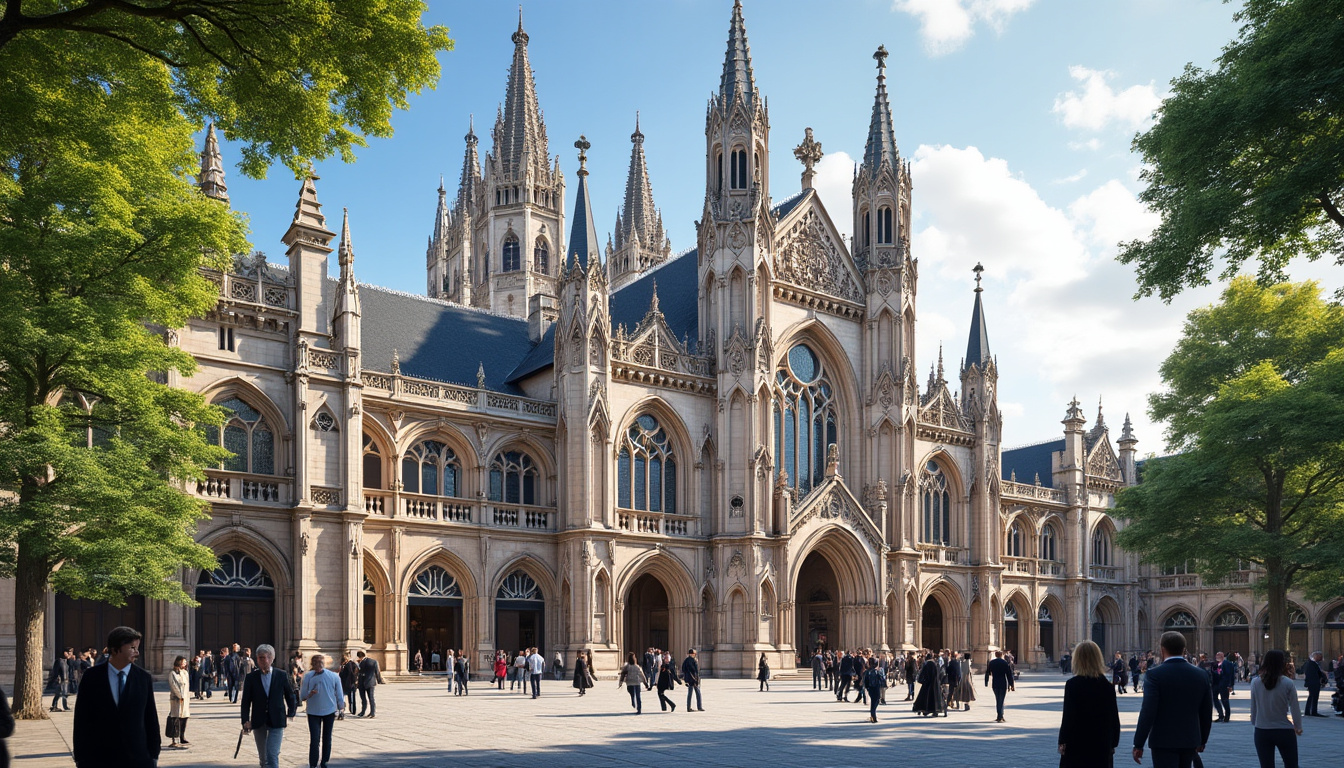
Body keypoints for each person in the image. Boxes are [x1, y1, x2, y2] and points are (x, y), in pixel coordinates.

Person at [72, 626, 160, 768]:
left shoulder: (143, 678)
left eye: (137, 648)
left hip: (137, 758)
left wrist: (154, 755)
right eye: (132, 648)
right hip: (99, 758)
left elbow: (150, 719)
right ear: (114, 649)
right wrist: (81, 758)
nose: (137, 653)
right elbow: (81, 719)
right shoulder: (91, 677)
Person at [1133, 631, 1213, 768]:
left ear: (1162, 649)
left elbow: (1148, 711)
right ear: (1184, 650)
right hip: (1190, 738)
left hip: (1163, 740)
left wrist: (1138, 743)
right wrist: (1202, 739)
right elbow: (1206, 711)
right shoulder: (1201, 675)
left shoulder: (1154, 675)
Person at [1057, 640, 1120, 768]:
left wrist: (1063, 740)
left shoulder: (1073, 685)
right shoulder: (1107, 686)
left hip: (1077, 741)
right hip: (1101, 741)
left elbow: (1068, 716)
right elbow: (1113, 717)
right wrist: (1113, 742)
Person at [240, 644, 297, 768]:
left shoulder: (281, 675)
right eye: (258, 658)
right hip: (258, 720)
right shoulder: (251, 678)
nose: (260, 660)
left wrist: (291, 712)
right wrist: (245, 720)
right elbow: (245, 701)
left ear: (271, 658)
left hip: (277, 720)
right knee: (263, 757)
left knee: (272, 754)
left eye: (263, 658)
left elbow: (290, 695)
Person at [1249, 649, 1302, 768]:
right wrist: (1297, 726)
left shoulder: (1255, 682)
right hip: (1284, 730)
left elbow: (1254, 707)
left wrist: (1255, 722)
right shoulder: (1288, 683)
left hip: (1262, 730)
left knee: (1266, 765)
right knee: (1291, 764)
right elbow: (1295, 707)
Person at [299, 653, 344, 768]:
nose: (318, 665)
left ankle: (324, 761)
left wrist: (341, 708)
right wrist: (310, 694)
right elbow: (302, 695)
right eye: (316, 663)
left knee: (327, 737)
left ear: (324, 664)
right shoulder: (308, 676)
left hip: (329, 710)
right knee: (314, 739)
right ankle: (313, 763)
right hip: (313, 711)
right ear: (312, 664)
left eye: (320, 662)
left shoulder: (334, 676)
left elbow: (339, 694)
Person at [166, 656, 191, 748]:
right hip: (177, 700)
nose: (185, 663)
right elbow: (173, 686)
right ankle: (174, 739)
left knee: (184, 718)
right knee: (175, 719)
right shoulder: (172, 673)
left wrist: (187, 696)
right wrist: (180, 696)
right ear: (179, 662)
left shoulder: (185, 673)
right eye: (183, 662)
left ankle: (182, 737)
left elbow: (187, 686)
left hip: (185, 700)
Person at [985, 649, 1015, 723]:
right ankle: (1000, 716)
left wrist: (986, 682)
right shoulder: (1005, 663)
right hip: (1003, 683)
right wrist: (1011, 685)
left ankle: (1000, 715)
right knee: (1001, 700)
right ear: (1001, 655)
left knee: (998, 699)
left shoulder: (992, 663)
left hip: (995, 683)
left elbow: (987, 673)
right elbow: (1009, 675)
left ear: (995, 655)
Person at [1210, 651, 1236, 722]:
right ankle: (1220, 715)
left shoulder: (1228, 664)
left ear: (1222, 656)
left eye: (1219, 655)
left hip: (1224, 685)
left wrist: (1230, 685)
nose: (1217, 656)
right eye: (1216, 655)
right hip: (1215, 684)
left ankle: (1227, 716)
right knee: (1214, 698)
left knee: (1224, 700)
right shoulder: (1214, 664)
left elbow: (1231, 675)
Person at [355, 650, 382, 717]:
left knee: (363, 698)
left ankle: (363, 711)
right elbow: (377, 672)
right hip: (371, 682)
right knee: (371, 698)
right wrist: (379, 680)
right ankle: (372, 712)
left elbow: (358, 672)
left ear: (359, 657)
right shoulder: (374, 661)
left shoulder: (360, 663)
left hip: (362, 682)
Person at [1301, 651, 1327, 717]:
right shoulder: (1311, 664)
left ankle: (1309, 711)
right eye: (1320, 656)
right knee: (1313, 697)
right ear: (1316, 656)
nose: (1321, 658)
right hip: (1313, 683)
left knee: (1312, 696)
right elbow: (1314, 674)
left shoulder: (1312, 663)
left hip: (1313, 682)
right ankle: (1313, 711)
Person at [48, 648, 72, 712]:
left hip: (65, 679)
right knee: (58, 694)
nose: (70, 654)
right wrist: (56, 678)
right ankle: (54, 706)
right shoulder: (59, 661)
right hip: (60, 680)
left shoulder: (66, 661)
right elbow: (55, 671)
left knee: (64, 694)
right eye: (68, 652)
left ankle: (65, 706)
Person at [862, 657, 886, 723]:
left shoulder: (867, 671)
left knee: (874, 701)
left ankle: (873, 715)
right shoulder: (877, 671)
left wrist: (867, 687)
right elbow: (882, 679)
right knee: (876, 701)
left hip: (870, 688)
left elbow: (865, 680)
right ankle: (873, 715)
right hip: (876, 687)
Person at [338, 653, 358, 717]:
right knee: (349, 698)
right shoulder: (346, 665)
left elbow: (351, 675)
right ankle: (349, 710)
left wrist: (350, 683)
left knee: (351, 698)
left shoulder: (349, 664)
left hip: (349, 684)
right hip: (346, 684)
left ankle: (352, 710)